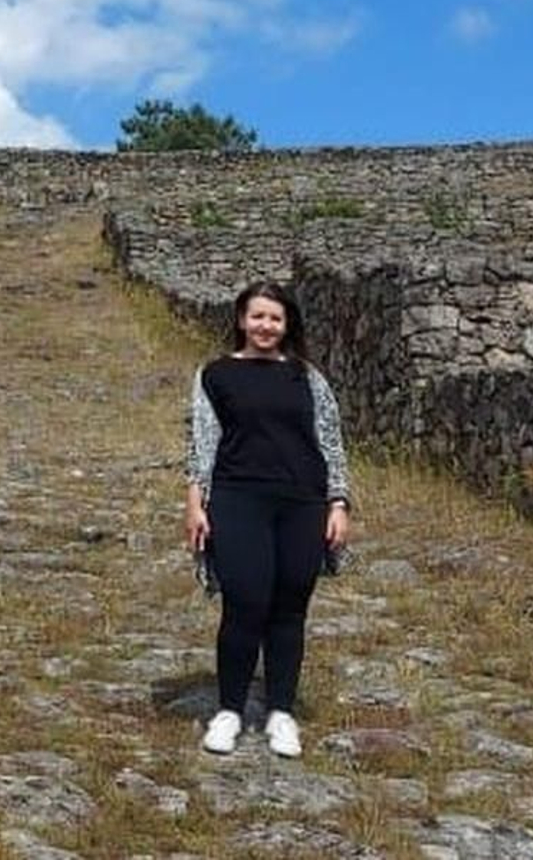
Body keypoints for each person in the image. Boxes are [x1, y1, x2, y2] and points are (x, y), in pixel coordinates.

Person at [183, 280, 352, 757]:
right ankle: (229, 711)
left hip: (302, 502)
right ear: (241, 319)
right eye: (257, 316)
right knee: (245, 602)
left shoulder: (307, 377)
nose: (265, 326)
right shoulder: (214, 375)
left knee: (289, 607)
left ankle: (281, 713)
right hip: (238, 499)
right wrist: (195, 503)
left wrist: (338, 503)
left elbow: (331, 443)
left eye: (275, 318)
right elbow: (199, 444)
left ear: (287, 324)